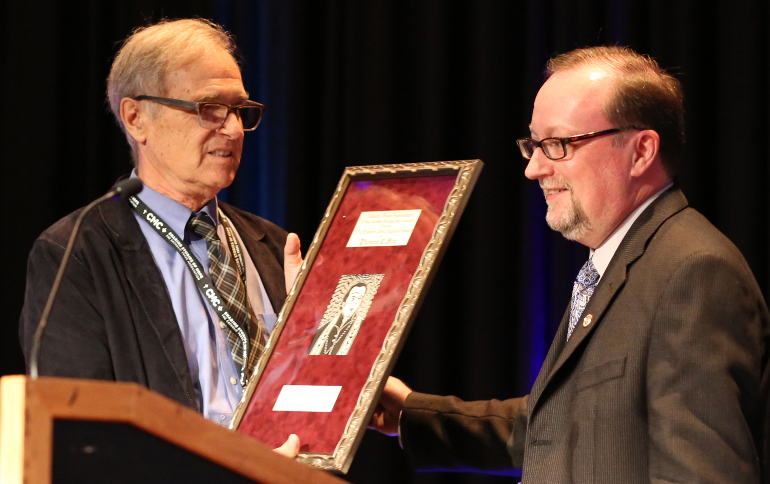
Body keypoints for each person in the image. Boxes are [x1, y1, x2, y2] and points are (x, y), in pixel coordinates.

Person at [371, 46, 770, 483]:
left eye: (558, 145)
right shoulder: (624, 258)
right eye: (534, 145)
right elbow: (561, 423)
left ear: (641, 152)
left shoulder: (693, 273)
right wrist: (410, 412)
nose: (534, 169)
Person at [19, 19, 301, 455]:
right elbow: (84, 443)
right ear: (136, 118)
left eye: (239, 110)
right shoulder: (76, 254)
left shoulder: (274, 245)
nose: (232, 129)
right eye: (209, 107)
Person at [308, 282, 368, 355]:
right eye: (353, 297)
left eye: (359, 298)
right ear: (345, 300)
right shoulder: (323, 328)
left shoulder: (362, 329)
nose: (355, 302)